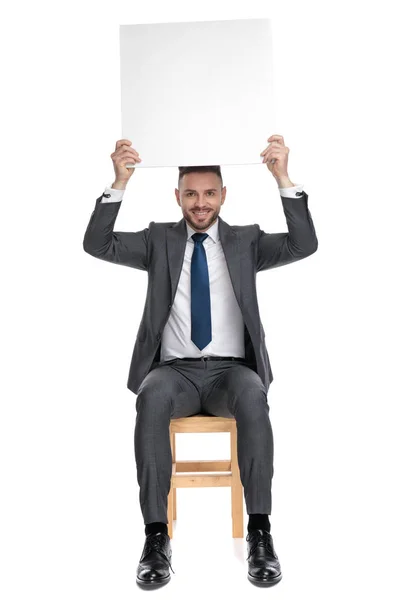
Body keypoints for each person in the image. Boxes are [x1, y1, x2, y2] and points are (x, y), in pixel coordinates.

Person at [83, 135, 318, 587]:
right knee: (150, 400)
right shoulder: (158, 240)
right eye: (191, 194)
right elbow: (99, 245)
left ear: (223, 195)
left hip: (232, 373)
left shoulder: (246, 241)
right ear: (177, 197)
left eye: (210, 193)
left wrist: (283, 178)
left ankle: (261, 533)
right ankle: (155, 539)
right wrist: (119, 183)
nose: (200, 203)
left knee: (254, 396)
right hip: (175, 375)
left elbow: (302, 245)